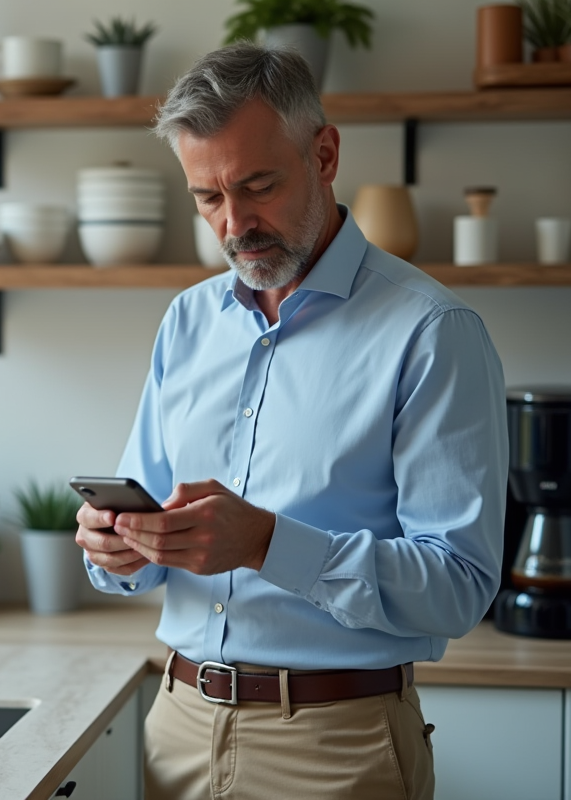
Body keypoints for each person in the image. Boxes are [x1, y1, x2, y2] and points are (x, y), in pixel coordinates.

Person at [76, 42, 508, 800]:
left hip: (338, 747)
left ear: (326, 153)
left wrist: (270, 543)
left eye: (258, 185)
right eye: (208, 198)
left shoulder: (431, 331)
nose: (235, 223)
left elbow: (460, 586)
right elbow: (140, 537)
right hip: (174, 727)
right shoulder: (188, 322)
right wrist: (119, 547)